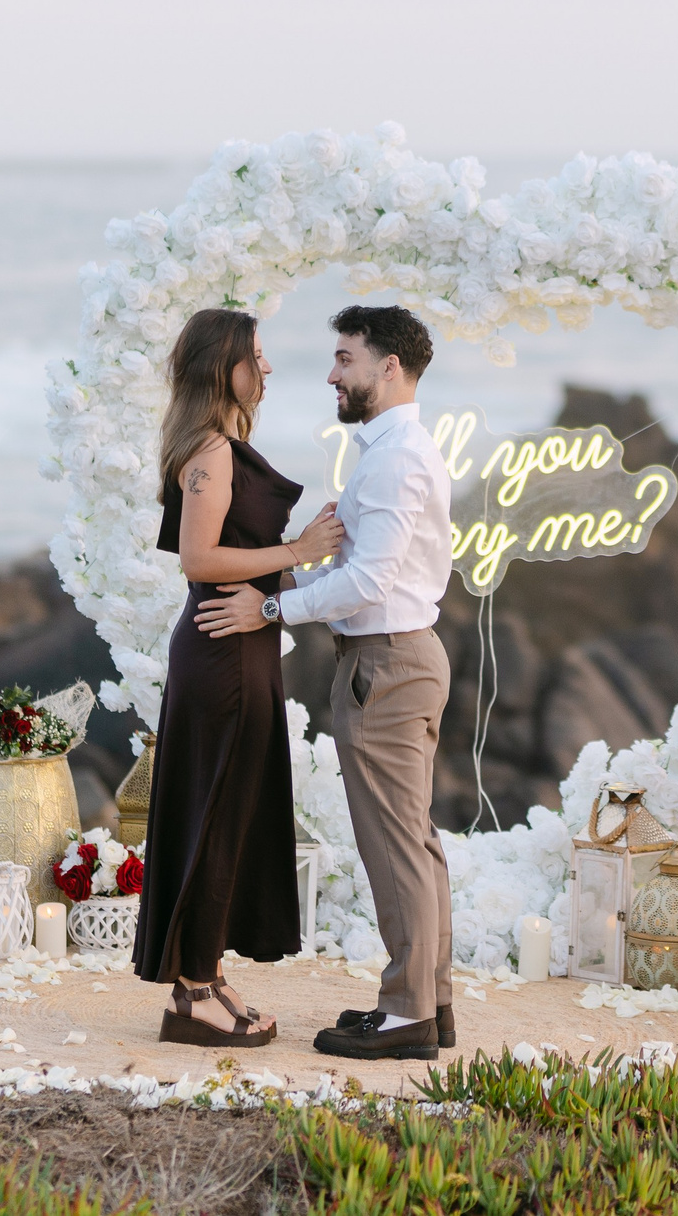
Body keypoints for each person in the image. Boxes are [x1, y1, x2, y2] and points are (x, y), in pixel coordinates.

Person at [198, 304, 455, 1061]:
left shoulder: (395, 455)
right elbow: (364, 566)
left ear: (390, 368)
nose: (332, 374)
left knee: (397, 845)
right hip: (399, 657)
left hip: (386, 664)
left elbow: (371, 579)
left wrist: (272, 605)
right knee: (416, 840)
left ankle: (408, 1012)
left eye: (345, 358)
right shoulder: (393, 449)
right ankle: (427, 1000)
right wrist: (304, 556)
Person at [136, 308, 344, 1048]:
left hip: (243, 643)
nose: (267, 368)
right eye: (256, 356)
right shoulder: (211, 452)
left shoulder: (225, 445)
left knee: (233, 814)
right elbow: (199, 560)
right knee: (216, 816)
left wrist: (284, 576)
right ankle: (192, 994)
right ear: (224, 364)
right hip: (221, 650)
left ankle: (207, 974)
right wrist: (295, 549)